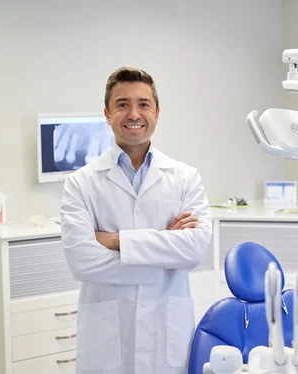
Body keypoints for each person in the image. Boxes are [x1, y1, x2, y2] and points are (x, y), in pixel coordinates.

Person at [60, 67, 213, 374]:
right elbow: (82, 262)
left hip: (166, 336)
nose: (133, 113)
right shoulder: (80, 183)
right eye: (122, 104)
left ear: (157, 112)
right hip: (107, 339)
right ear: (107, 114)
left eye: (143, 104)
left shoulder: (185, 178)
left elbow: (194, 251)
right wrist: (165, 250)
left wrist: (117, 241)